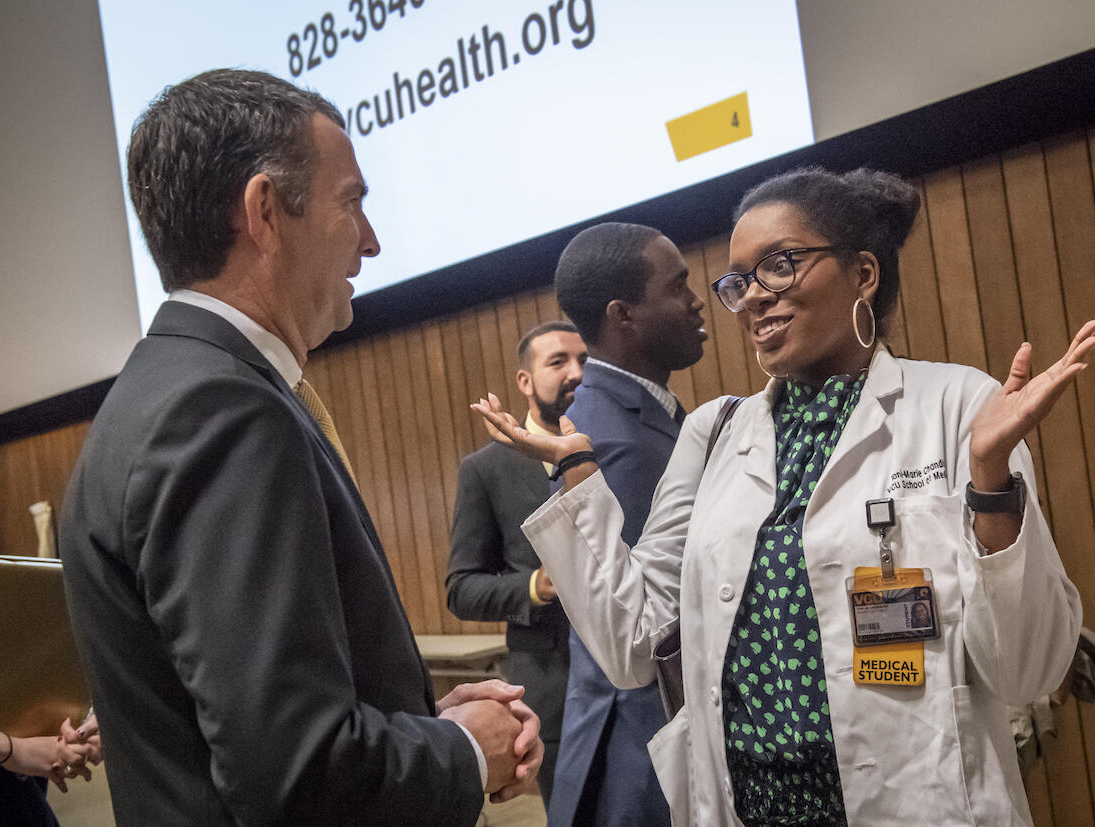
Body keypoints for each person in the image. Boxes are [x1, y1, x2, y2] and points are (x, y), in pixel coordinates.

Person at [474, 167, 1095, 825]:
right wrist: (577, 471)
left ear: (863, 274)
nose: (752, 298)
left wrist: (992, 484)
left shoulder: (959, 406)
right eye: (740, 281)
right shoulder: (712, 432)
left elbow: (1027, 670)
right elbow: (634, 644)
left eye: (781, 265)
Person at [59, 69, 540, 825]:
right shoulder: (219, 410)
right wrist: (467, 751)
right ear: (264, 211)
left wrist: (428, 725)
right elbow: (296, 770)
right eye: (351, 202)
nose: (371, 240)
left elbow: (243, 717)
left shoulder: (159, 393)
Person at [541, 222, 707, 826]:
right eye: (678, 286)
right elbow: (641, 621)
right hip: (644, 751)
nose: (695, 301)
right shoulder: (611, 435)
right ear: (624, 315)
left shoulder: (635, 411)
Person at [446, 320, 587, 809]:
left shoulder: (606, 448)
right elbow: (461, 589)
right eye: (558, 362)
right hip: (555, 683)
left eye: (585, 361)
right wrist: (535, 586)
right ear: (524, 381)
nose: (577, 373)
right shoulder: (485, 470)